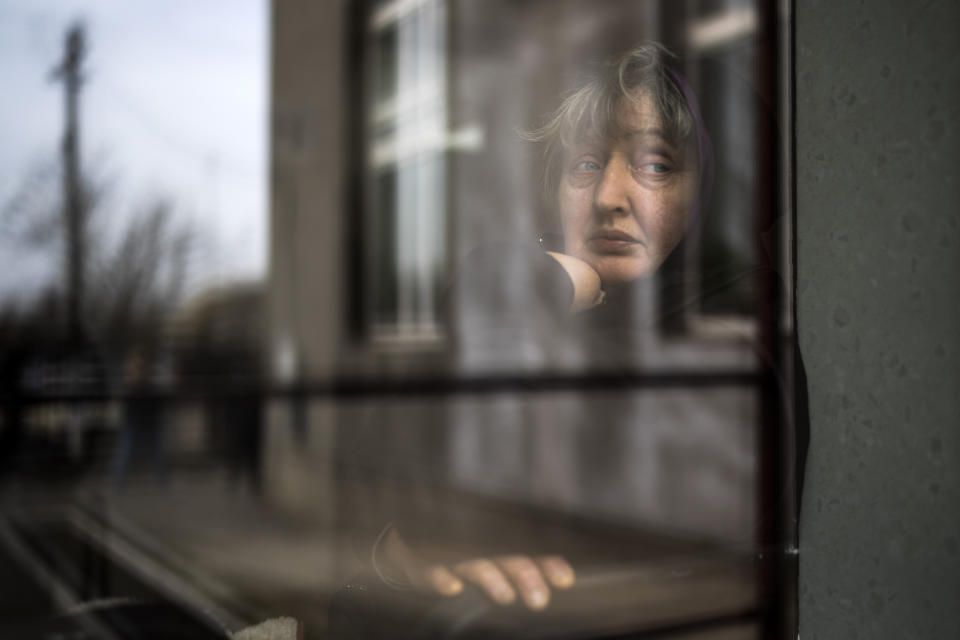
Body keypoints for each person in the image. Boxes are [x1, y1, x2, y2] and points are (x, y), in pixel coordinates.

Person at [354, 42, 718, 614]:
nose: (607, 198)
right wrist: (397, 555)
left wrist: (526, 281)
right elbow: (379, 465)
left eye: (655, 166)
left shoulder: (734, 344)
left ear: (705, 196)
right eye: (585, 166)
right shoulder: (531, 329)